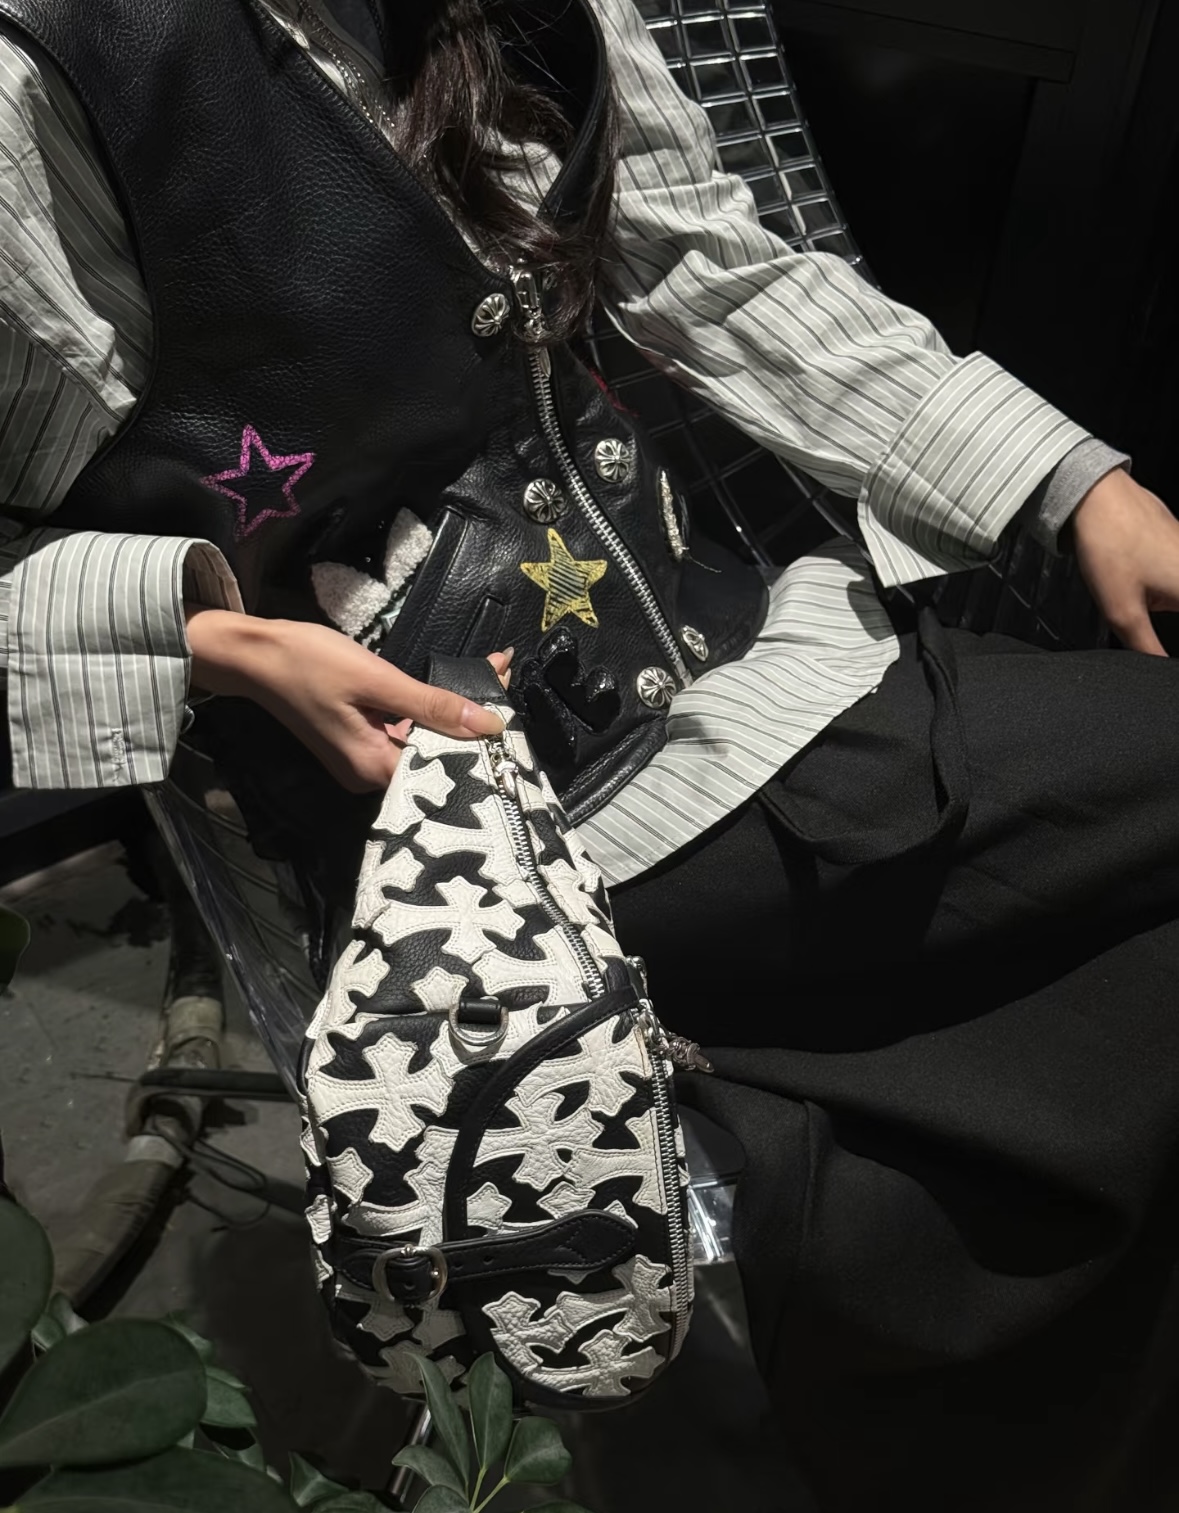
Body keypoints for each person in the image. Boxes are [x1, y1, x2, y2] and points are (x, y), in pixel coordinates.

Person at [3, 0, 1179, 1505]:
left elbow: (696, 256)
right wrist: (214, 638)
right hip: (486, 845)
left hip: (766, 667)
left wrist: (1065, 480)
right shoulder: (59, 66)